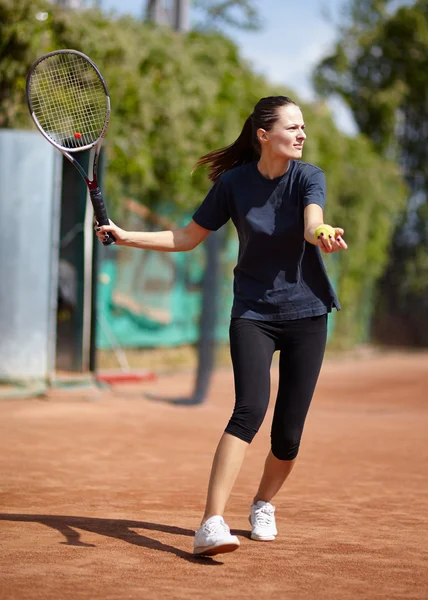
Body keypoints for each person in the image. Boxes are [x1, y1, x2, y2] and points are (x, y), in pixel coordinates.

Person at [95, 95, 348, 557]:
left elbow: (312, 223)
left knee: (288, 435)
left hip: (307, 314)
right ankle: (210, 523)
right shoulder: (233, 184)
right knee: (249, 410)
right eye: (292, 127)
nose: (301, 134)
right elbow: (187, 237)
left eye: (303, 127)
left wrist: (323, 233)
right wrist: (125, 234)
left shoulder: (308, 176)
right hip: (252, 313)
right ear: (263, 134)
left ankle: (263, 504)